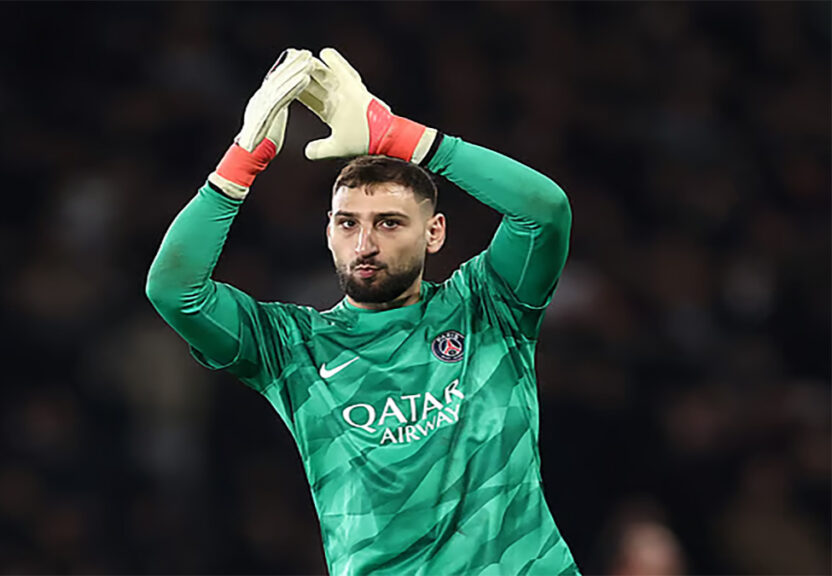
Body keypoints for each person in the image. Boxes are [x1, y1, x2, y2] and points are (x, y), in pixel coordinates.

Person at [146, 47, 579, 575]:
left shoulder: (486, 306)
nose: (365, 243)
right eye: (348, 223)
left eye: (389, 223)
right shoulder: (293, 347)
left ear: (434, 233)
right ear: (328, 232)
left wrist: (397, 135)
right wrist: (243, 160)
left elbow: (545, 211)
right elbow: (175, 291)